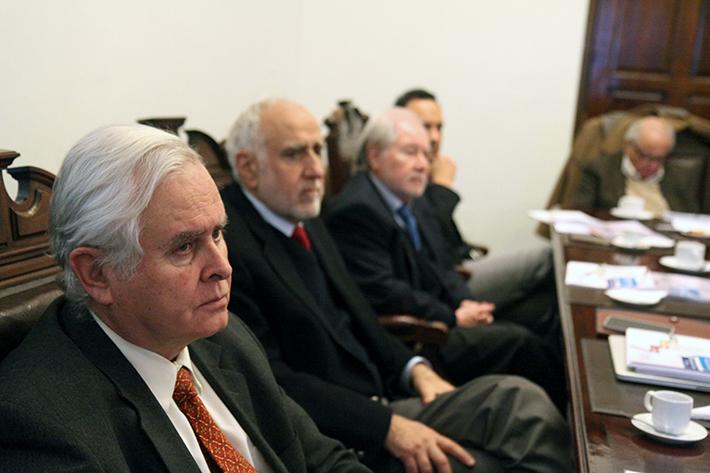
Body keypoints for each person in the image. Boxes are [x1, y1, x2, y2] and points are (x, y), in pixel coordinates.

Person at [222, 98, 571, 473]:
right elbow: (267, 383)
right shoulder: (230, 249)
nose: (316, 169)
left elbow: (363, 316)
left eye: (317, 150)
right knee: (518, 419)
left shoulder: (303, 217)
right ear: (248, 167)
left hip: (385, 393)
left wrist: (413, 366)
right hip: (343, 432)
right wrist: (385, 425)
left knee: (522, 403)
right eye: (295, 154)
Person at [0, 124, 370, 473]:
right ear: (97, 273)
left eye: (217, 233)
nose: (222, 267)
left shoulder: (222, 337)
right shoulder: (41, 426)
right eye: (185, 247)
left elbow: (323, 460)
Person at [325, 107, 567, 411]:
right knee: (521, 343)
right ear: (374, 156)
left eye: (426, 155)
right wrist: (453, 316)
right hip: (417, 337)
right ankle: (572, 424)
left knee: (537, 313)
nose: (422, 164)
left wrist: (466, 302)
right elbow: (383, 293)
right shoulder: (357, 210)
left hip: (437, 312)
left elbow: (442, 264)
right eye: (410, 152)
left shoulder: (409, 197)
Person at [394, 89, 558, 339]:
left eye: (439, 127)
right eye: (426, 127)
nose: (435, 137)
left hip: (459, 267)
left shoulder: (430, 168)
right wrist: (442, 187)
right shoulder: (403, 174)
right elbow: (428, 245)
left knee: (544, 305)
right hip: (451, 278)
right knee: (548, 257)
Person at [568, 116, 695, 215]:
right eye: (645, 156)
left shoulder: (680, 175)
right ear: (628, 146)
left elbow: (690, 218)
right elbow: (582, 214)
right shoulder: (599, 169)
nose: (652, 165)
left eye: (659, 159)